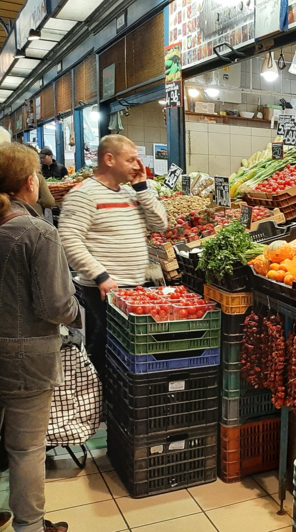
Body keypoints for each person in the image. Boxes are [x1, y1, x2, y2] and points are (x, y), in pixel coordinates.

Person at [0, 142, 79, 532]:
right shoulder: (38, 232)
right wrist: (83, 314)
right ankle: (30, 526)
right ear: (30, 181)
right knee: (27, 447)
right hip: (26, 356)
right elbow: (56, 306)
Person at [58, 135, 168, 372]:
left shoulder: (130, 194)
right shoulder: (83, 195)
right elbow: (69, 241)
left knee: (126, 351)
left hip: (134, 289)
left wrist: (142, 188)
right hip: (105, 289)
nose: (137, 166)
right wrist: (100, 275)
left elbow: (160, 224)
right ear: (109, 159)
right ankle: (102, 400)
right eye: (130, 160)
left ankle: (120, 399)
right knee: (107, 348)